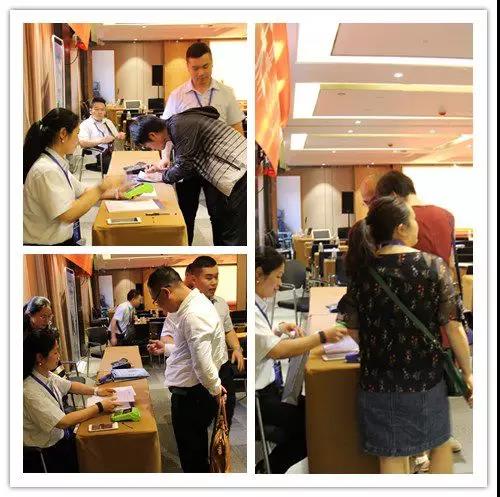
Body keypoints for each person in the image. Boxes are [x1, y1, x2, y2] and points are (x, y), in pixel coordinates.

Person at [337, 196, 473, 474]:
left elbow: (351, 326)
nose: (417, 225)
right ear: (400, 228)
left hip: (378, 381)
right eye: (413, 219)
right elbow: (454, 326)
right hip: (425, 379)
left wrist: (378, 347)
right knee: (438, 445)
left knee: (391, 455)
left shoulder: (363, 272)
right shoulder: (433, 266)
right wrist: (468, 372)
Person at [375, 170, 463, 464]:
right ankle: (440, 437)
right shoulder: (446, 216)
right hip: (441, 310)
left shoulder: (398, 221)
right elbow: (450, 264)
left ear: (393, 195)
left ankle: (419, 450)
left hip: (407, 315)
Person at [255, 246, 349, 473]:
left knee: (316, 409)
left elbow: (262, 337)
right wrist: (322, 337)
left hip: (270, 388)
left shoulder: (259, 302)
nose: (279, 284)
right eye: (278, 277)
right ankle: (268, 470)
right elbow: (279, 351)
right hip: (262, 397)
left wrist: (278, 328)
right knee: (313, 427)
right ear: (259, 274)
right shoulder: (254, 307)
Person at [157, 42, 245, 245]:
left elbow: (237, 130)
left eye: (205, 66)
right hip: (187, 165)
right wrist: (164, 158)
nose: (201, 72)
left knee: (219, 216)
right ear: (188, 67)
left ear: (212, 63)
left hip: (218, 168)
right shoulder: (177, 95)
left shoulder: (226, 92)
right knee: (186, 213)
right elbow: (167, 131)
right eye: (195, 68)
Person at [146, 266, 227, 473]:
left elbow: (202, 362)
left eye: (157, 301)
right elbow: (191, 351)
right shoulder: (195, 304)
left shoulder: (193, 314)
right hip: (194, 393)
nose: (160, 307)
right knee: (196, 451)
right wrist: (166, 348)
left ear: (166, 292)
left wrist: (216, 389)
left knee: (193, 458)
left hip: (192, 397)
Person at [129, 108, 247, 246]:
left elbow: (185, 166)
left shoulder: (179, 126)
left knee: (231, 228)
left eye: (148, 146)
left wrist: (161, 177)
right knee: (222, 222)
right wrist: (166, 171)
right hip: (234, 170)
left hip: (238, 171)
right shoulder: (176, 124)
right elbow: (187, 161)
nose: (152, 149)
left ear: (153, 135)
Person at [23, 108, 131, 245]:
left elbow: (82, 191)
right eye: (77, 133)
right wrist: (101, 187)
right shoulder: (46, 170)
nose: (78, 140)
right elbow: (69, 214)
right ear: (63, 134)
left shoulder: (56, 162)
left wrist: (116, 193)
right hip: (45, 245)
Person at [161, 256, 245, 428]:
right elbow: (168, 337)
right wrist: (169, 347)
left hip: (221, 367)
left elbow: (228, 330)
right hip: (197, 375)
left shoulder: (221, 303)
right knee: (198, 424)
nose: (214, 282)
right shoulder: (177, 308)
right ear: (193, 279)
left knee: (225, 415)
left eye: (216, 277)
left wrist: (237, 348)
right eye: (208, 277)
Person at [23, 329, 120, 472]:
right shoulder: (29, 391)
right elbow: (63, 422)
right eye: (55, 352)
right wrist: (99, 406)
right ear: (40, 358)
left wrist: (97, 391)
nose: (59, 356)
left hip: (61, 437)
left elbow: (70, 385)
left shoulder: (45, 374)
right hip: (47, 452)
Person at [78, 97, 126, 174]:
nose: (100, 112)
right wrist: (101, 140)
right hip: (97, 155)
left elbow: (116, 136)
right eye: (96, 109)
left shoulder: (108, 122)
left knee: (128, 161)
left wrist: (120, 136)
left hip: (112, 152)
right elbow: (82, 143)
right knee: (117, 167)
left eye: (102, 109)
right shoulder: (85, 124)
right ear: (90, 111)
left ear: (105, 111)